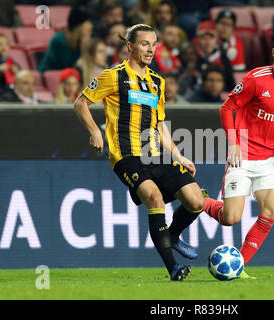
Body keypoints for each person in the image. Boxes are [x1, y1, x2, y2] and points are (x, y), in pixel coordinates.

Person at [73, 24, 205, 281]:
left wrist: (179, 156)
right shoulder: (112, 76)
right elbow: (80, 103)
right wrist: (95, 131)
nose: (151, 49)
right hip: (126, 156)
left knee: (196, 200)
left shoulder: (157, 82)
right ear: (130, 46)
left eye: (154, 44)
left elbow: (159, 126)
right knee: (154, 198)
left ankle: (173, 236)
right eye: (145, 44)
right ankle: (173, 268)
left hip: (155, 153)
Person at [201, 31, 274, 279]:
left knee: (270, 211)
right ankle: (201, 201)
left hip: (271, 161)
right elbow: (227, 108)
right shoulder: (256, 79)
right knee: (230, 218)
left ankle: (239, 266)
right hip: (243, 156)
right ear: (273, 52)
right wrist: (233, 143)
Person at [39, 5, 93, 73]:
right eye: (88, 23)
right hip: (53, 77)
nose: (91, 27)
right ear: (79, 26)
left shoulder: (83, 41)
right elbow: (69, 68)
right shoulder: (60, 41)